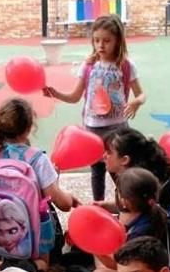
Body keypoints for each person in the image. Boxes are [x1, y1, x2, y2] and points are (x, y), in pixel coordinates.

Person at [43, 14, 145, 202]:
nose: (101, 45)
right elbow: (75, 97)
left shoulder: (126, 66)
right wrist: (56, 94)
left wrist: (135, 102)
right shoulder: (88, 66)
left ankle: (126, 204)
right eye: (97, 40)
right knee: (97, 171)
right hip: (92, 129)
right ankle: (99, 205)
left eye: (107, 41)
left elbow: (142, 95)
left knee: (120, 173)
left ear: (118, 41)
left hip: (118, 130)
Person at [0, 97, 79, 268]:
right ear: (28, 128)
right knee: (46, 211)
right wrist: (71, 199)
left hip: (0, 235)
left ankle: (7, 258)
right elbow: (62, 203)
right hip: (34, 234)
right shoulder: (38, 159)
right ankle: (40, 263)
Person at [67, 168, 167, 272]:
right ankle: (90, 261)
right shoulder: (150, 209)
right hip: (136, 268)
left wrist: (93, 245)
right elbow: (120, 208)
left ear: (125, 201)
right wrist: (104, 206)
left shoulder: (140, 233)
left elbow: (118, 265)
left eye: (118, 193)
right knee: (103, 235)